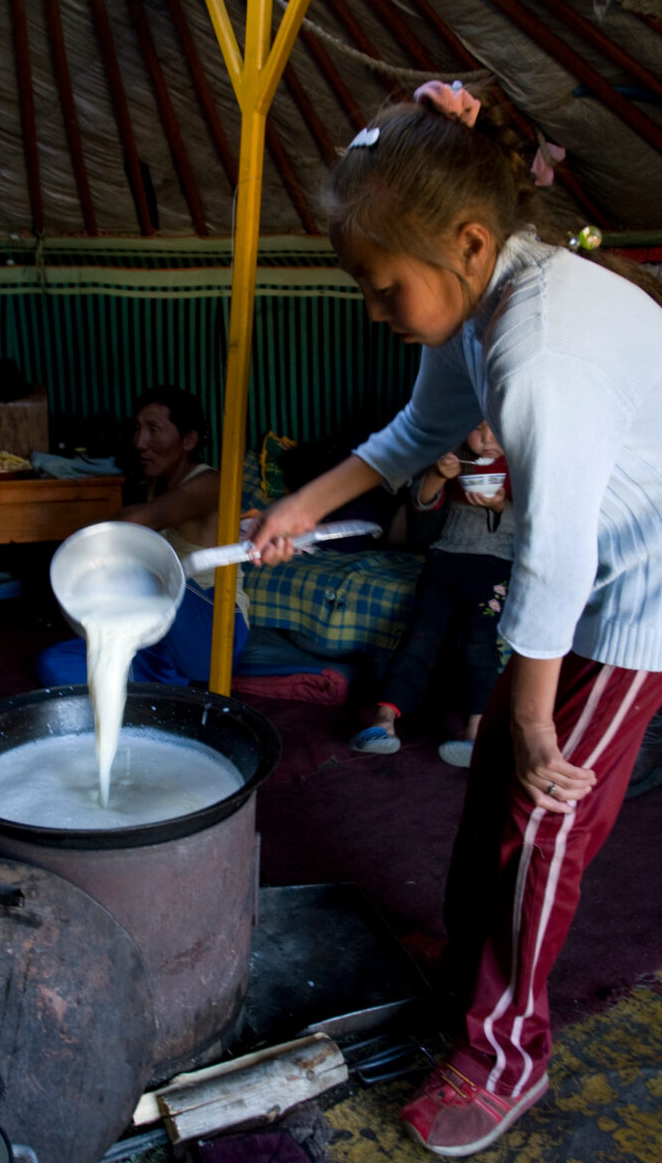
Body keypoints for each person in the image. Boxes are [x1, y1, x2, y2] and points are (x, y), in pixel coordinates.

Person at [250, 79, 662, 1157]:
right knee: (489, 801)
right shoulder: (473, 305)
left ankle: (506, 1049)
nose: (378, 313)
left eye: (383, 291)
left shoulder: (541, 349)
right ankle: (473, 976)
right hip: (583, 561)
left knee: (546, 816)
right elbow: (413, 431)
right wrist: (304, 502)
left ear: (468, 242)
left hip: (644, 581)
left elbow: (554, 553)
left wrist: (527, 721)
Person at [37, 385, 249, 688]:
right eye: (137, 429)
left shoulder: (209, 483)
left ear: (188, 440)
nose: (140, 442)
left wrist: (79, 539)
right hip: (164, 633)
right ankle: (157, 688)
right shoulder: (156, 484)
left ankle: (164, 685)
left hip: (213, 626)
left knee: (149, 569)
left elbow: (137, 522)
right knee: (54, 664)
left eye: (154, 430)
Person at [350, 420, 513, 768]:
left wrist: (500, 507)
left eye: (497, 427)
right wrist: (439, 473)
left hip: (495, 564)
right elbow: (422, 505)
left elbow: (532, 523)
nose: (487, 439)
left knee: (478, 641)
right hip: (444, 560)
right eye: (479, 427)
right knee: (419, 635)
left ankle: (475, 732)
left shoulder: (522, 464)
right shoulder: (452, 456)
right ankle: (384, 723)